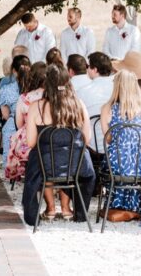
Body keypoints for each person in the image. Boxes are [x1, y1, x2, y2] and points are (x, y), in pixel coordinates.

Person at [22, 64, 94, 225]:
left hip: (46, 165)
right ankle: (69, 209)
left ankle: (50, 208)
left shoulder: (36, 106)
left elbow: (31, 142)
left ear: (45, 83)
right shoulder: (78, 104)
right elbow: (87, 139)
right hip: (75, 165)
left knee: (39, 160)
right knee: (73, 161)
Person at [100, 69, 141, 227]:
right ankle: (135, 206)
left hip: (119, 165)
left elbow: (108, 139)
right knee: (138, 156)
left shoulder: (108, 108)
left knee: (112, 157)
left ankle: (121, 205)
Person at [4, 62, 45, 182]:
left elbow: (19, 124)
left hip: (28, 142)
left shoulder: (24, 98)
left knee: (16, 138)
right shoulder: (54, 97)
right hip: (51, 141)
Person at [76, 51, 115, 151]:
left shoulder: (82, 91)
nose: (87, 69)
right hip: (117, 146)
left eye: (88, 66)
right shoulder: (117, 88)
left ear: (95, 70)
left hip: (92, 146)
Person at [0, 55, 28, 175]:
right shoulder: (36, 89)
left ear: (13, 70)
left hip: (14, 126)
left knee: (8, 126)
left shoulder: (5, 89)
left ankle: (11, 170)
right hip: (33, 127)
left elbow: (5, 115)